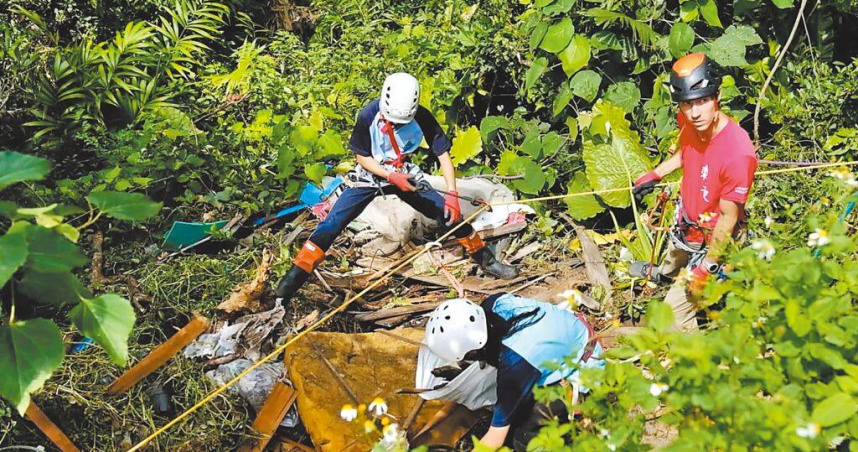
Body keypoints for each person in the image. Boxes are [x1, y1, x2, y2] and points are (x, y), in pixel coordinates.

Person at [275, 73, 518, 302]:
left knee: (448, 214)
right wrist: (390, 176)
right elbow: (362, 157)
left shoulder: (422, 116)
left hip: (404, 173)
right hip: (371, 176)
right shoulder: (368, 115)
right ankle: (287, 287)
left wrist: (452, 194)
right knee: (332, 224)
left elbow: (442, 154)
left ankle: (487, 261)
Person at [630, 53, 758, 331]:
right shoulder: (690, 122)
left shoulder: (737, 152)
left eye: (702, 101)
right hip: (688, 225)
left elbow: (728, 219)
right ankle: (667, 275)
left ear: (717, 97)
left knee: (672, 318)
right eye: (687, 103)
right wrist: (656, 174)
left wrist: (707, 267)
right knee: (674, 259)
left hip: (714, 242)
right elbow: (686, 152)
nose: (694, 113)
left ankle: (696, 356)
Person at [424, 295, 604, 450]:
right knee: (511, 410)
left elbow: (495, 439)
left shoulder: (517, 361)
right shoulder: (492, 305)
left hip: (585, 367)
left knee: (524, 438)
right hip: (570, 335)